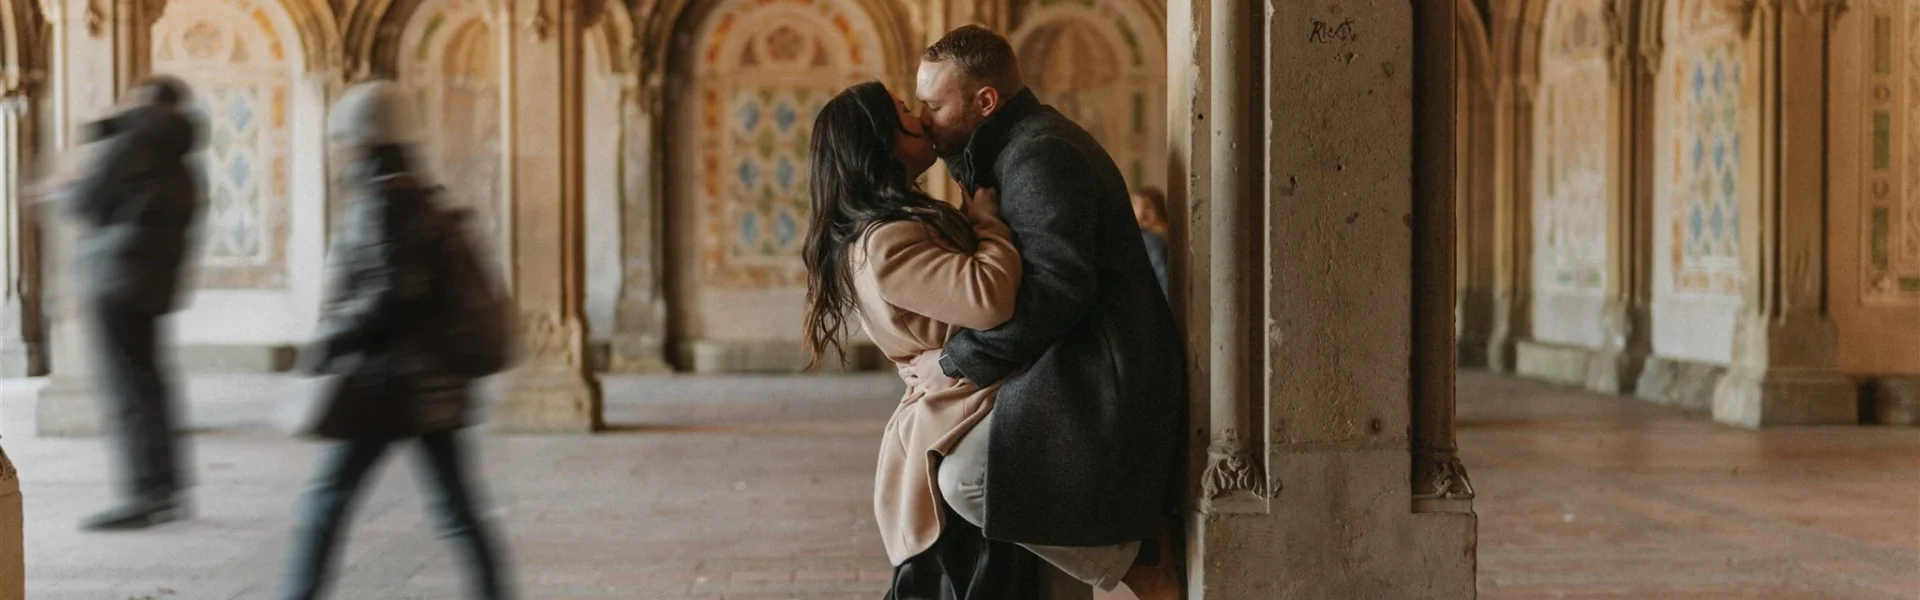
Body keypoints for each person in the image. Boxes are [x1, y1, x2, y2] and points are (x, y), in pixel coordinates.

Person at [912, 24, 1188, 597]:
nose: (923, 120)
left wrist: (956, 359)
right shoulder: (1010, 151)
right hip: (1070, 364)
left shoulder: (1039, 154)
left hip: (1103, 373)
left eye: (934, 105)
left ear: (985, 102)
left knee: (967, 480)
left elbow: (1057, 291)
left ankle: (1144, 561)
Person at [276, 80, 511, 600]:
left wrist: (331, 339)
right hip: (434, 388)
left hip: (385, 388)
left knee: (323, 504)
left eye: (344, 140)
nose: (339, 151)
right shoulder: (423, 199)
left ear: (364, 140)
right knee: (458, 511)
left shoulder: (379, 201)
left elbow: (389, 292)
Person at [59, 75, 202, 531]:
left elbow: (83, 202)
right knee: (152, 385)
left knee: (126, 390)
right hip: (154, 287)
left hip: (113, 280)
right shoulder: (183, 163)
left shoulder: (129, 145)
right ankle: (167, 488)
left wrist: (69, 186)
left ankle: (143, 495)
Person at [1132, 186, 1171, 297]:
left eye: (1148, 207)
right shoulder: (1159, 236)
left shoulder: (1152, 239)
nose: (1142, 212)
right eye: (1136, 205)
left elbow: (1162, 275)